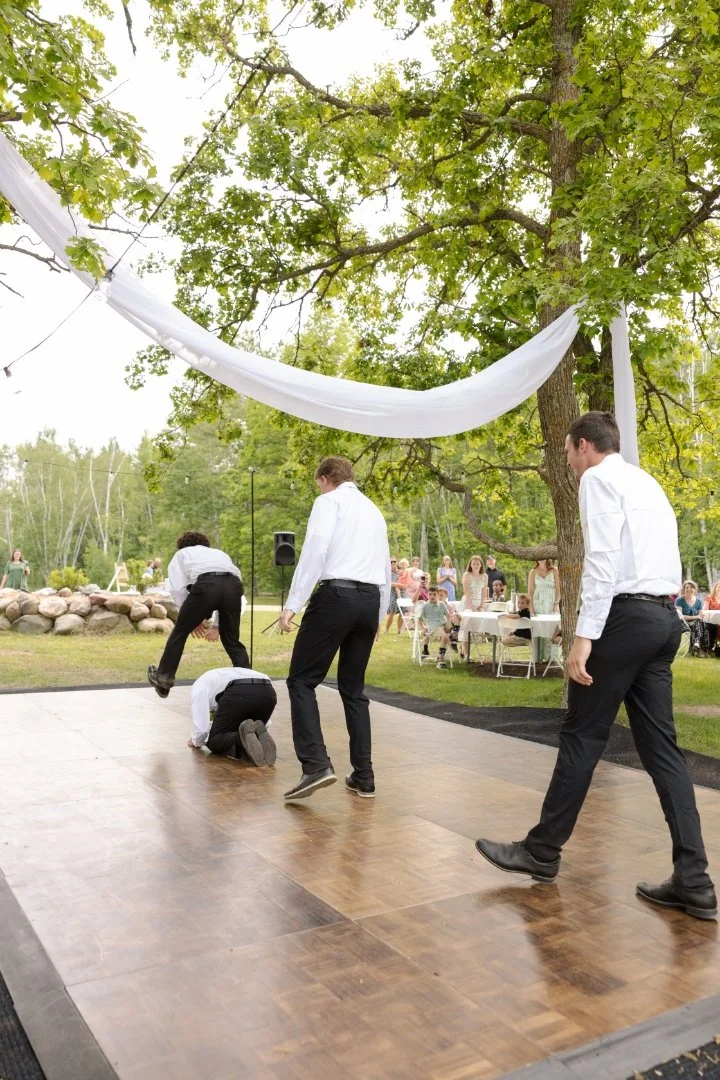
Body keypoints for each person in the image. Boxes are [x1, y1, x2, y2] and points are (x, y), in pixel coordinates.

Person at [476, 411, 716, 921]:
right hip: (662, 619)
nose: (567, 463)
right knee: (663, 750)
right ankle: (694, 880)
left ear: (585, 446)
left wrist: (584, 636)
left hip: (623, 619)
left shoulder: (598, 480)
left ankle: (541, 852)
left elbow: (603, 561)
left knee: (583, 735)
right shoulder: (645, 481)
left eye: (566, 453)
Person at [279, 456, 391, 801]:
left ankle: (315, 765)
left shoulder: (328, 501)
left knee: (301, 680)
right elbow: (384, 564)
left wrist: (292, 603)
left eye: (319, 483)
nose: (319, 489)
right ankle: (364, 776)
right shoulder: (374, 510)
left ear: (326, 478)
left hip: (336, 596)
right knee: (353, 689)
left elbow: (315, 550)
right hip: (369, 601)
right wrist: (379, 614)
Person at [147, 531, 249, 698]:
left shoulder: (182, 554)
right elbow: (226, 585)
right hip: (234, 586)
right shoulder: (219, 554)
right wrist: (217, 624)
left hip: (207, 585)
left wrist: (190, 617)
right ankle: (248, 682)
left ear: (182, 545)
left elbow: (177, 589)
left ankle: (163, 680)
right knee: (232, 641)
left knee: (179, 633)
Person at [188, 666, 277, 765]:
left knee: (215, 740)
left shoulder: (199, 685)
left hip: (238, 692)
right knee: (245, 728)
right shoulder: (221, 677)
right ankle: (256, 738)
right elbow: (262, 723)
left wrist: (196, 741)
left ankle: (240, 738)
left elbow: (201, 729)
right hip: (268, 691)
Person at [528, 558, 561, 661]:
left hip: (551, 604)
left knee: (552, 628)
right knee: (538, 628)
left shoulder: (554, 570)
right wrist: (531, 608)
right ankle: (537, 658)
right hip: (538, 603)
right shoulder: (533, 572)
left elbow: (559, 589)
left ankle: (552, 658)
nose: (541, 559)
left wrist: (556, 603)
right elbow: (530, 591)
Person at [460, 555, 488, 660]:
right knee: (466, 627)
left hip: (478, 604)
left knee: (478, 626)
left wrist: (481, 606)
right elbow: (466, 592)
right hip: (467, 603)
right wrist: (471, 606)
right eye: (474, 563)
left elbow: (484, 592)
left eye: (478, 563)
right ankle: (466, 654)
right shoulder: (467, 575)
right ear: (470, 565)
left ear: (481, 565)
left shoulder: (484, 576)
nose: (476, 565)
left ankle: (463, 649)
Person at [420, 586, 452, 667]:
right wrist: (423, 628)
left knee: (458, 618)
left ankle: (454, 635)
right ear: (428, 595)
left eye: (434, 594)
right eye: (430, 594)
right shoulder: (425, 606)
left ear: (438, 595)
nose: (432, 596)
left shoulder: (442, 604)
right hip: (434, 626)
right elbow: (418, 619)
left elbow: (448, 616)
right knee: (445, 637)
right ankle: (440, 660)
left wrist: (452, 621)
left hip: (444, 624)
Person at [675, 581, 709, 657]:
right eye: (687, 587)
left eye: (691, 587)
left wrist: (701, 613)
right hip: (682, 624)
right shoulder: (679, 600)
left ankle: (696, 647)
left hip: (695, 624)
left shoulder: (699, 601)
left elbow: (700, 613)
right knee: (700, 623)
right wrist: (696, 617)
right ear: (683, 590)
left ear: (695, 589)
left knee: (703, 623)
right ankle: (699, 647)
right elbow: (680, 617)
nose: (689, 589)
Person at [702, 581, 720, 654]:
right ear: (715, 588)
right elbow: (705, 611)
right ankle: (709, 648)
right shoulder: (709, 598)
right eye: (719, 587)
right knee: (712, 626)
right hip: (711, 621)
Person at [384, 557, 401, 633]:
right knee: (392, 611)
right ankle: (386, 629)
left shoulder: (400, 572)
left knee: (402, 611)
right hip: (391, 593)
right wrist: (396, 584)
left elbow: (405, 582)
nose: (393, 563)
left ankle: (399, 630)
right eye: (391, 562)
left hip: (402, 591)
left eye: (394, 561)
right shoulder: (387, 573)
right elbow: (387, 584)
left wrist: (397, 584)